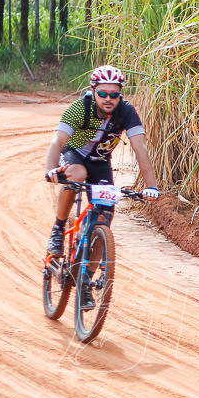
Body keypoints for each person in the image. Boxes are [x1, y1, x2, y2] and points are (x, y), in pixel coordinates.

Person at [43, 65, 160, 308]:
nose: (109, 99)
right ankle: (59, 228)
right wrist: (52, 169)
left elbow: (141, 149)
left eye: (114, 94)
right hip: (74, 156)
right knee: (77, 174)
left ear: (121, 95)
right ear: (93, 91)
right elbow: (57, 141)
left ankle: (85, 281)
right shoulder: (80, 108)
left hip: (101, 164)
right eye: (103, 94)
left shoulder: (126, 112)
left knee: (103, 219)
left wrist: (152, 187)